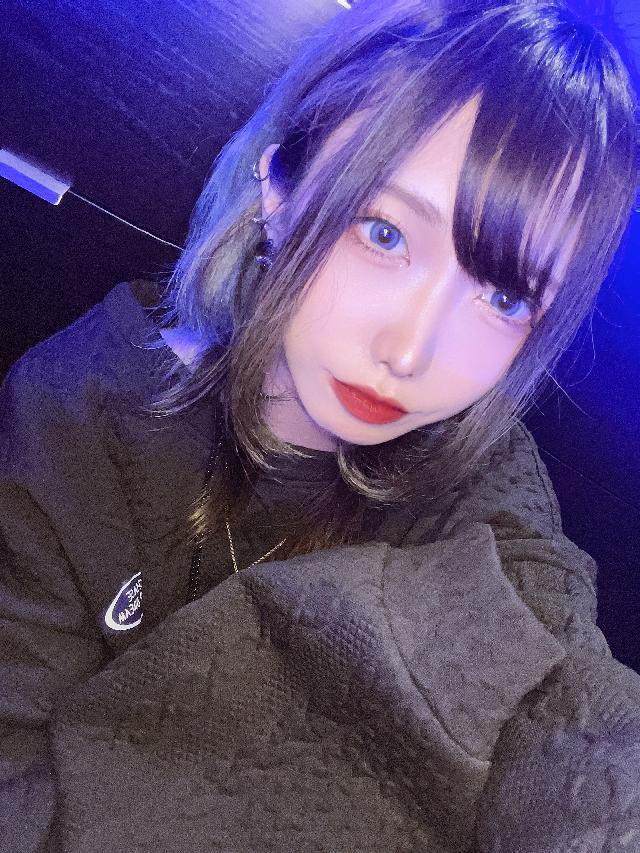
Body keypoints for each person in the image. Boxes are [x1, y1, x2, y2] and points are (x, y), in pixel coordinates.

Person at [1, 0, 639, 850]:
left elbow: (575, 725)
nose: (410, 351)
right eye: (384, 233)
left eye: (503, 295)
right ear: (279, 188)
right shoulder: (78, 415)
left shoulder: (485, 489)